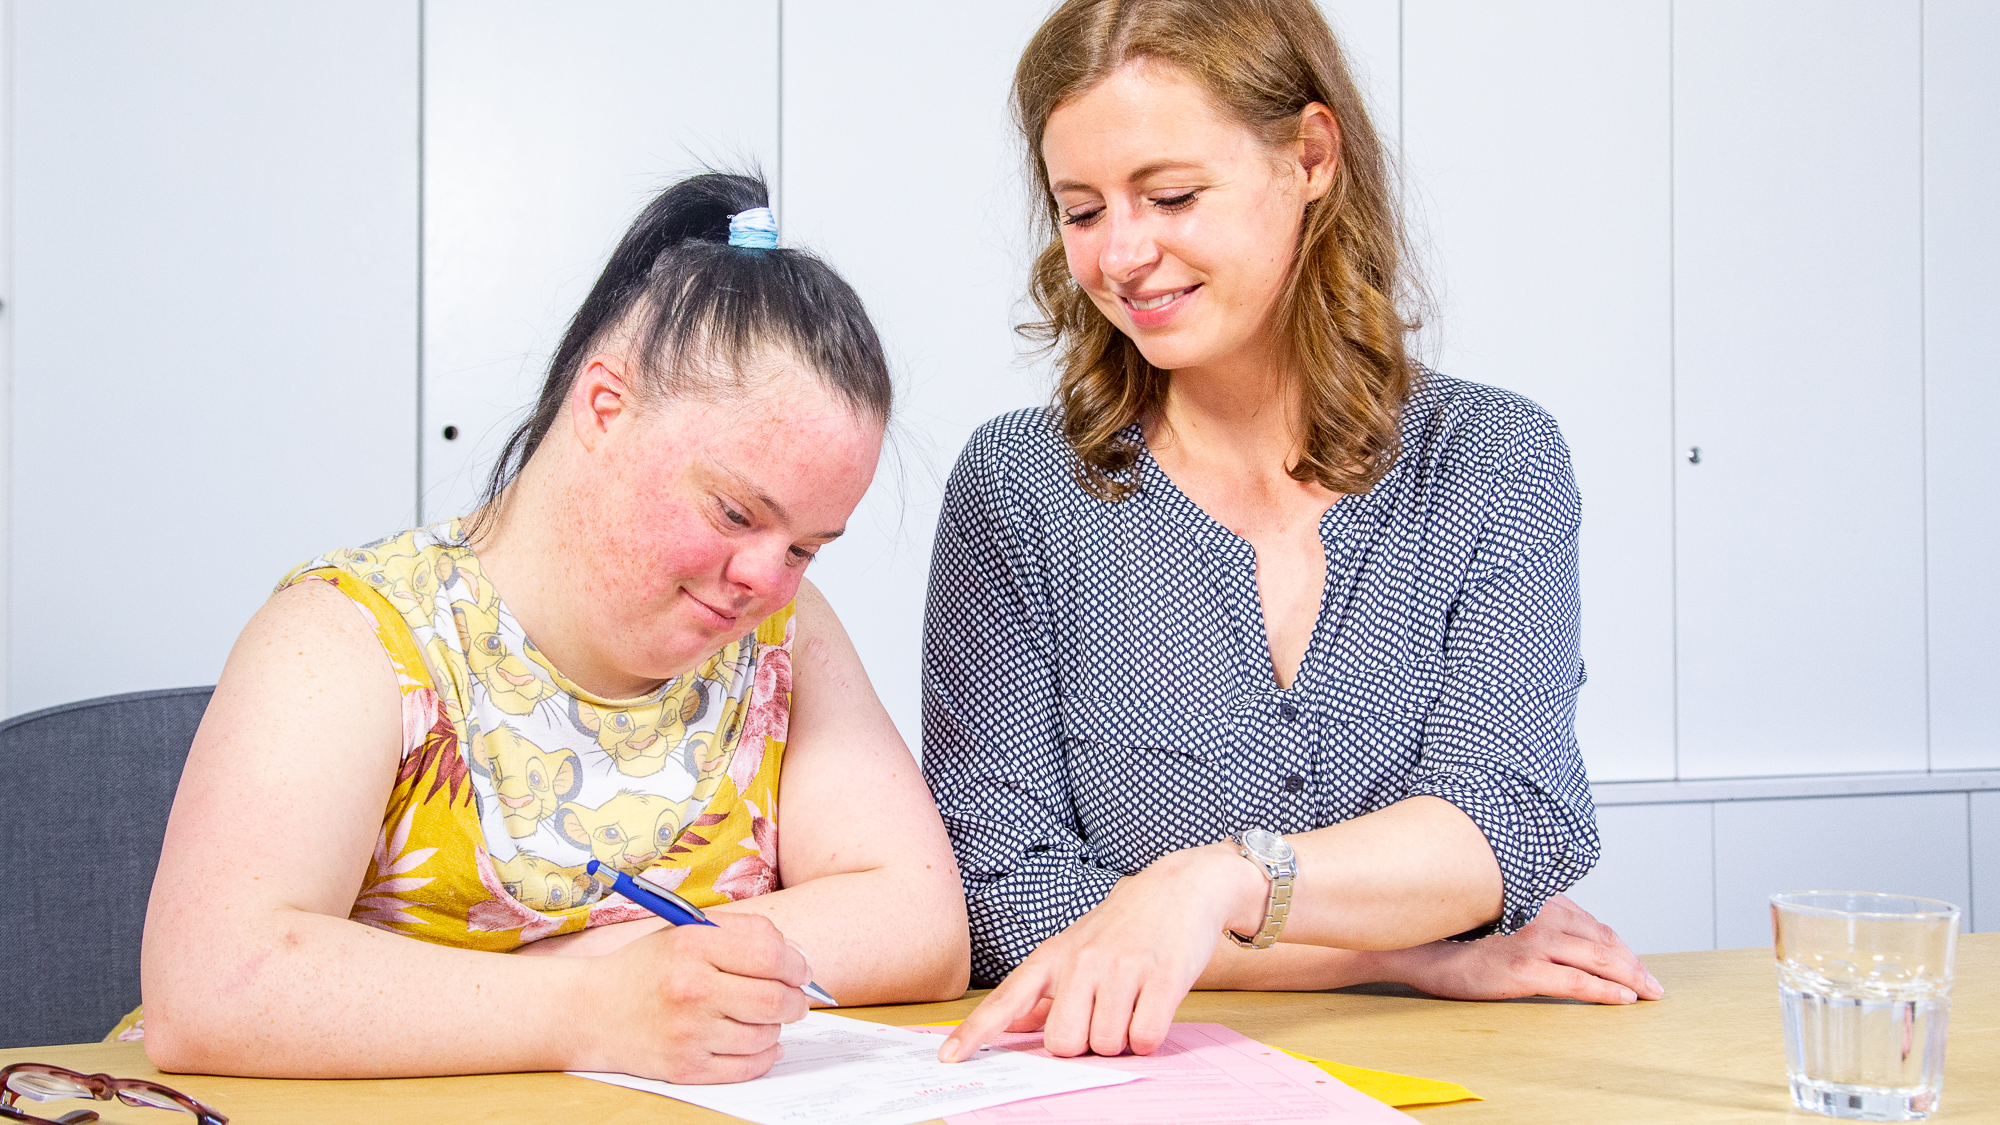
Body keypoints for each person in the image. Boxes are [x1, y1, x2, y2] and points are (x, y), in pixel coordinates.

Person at [923, 0, 1659, 1064]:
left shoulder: (1491, 459)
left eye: (1170, 194)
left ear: (1309, 156)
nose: (1121, 255)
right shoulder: (1020, 486)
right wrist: (1395, 957)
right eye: (1081, 211)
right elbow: (1002, 893)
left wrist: (1212, 880)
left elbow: (1507, 817)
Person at [139, 173, 969, 1082]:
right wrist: (593, 1008)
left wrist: (602, 978)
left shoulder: (781, 636)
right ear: (604, 405)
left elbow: (920, 922)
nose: (765, 583)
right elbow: (213, 984)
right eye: (736, 513)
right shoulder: (349, 638)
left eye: (807, 547)